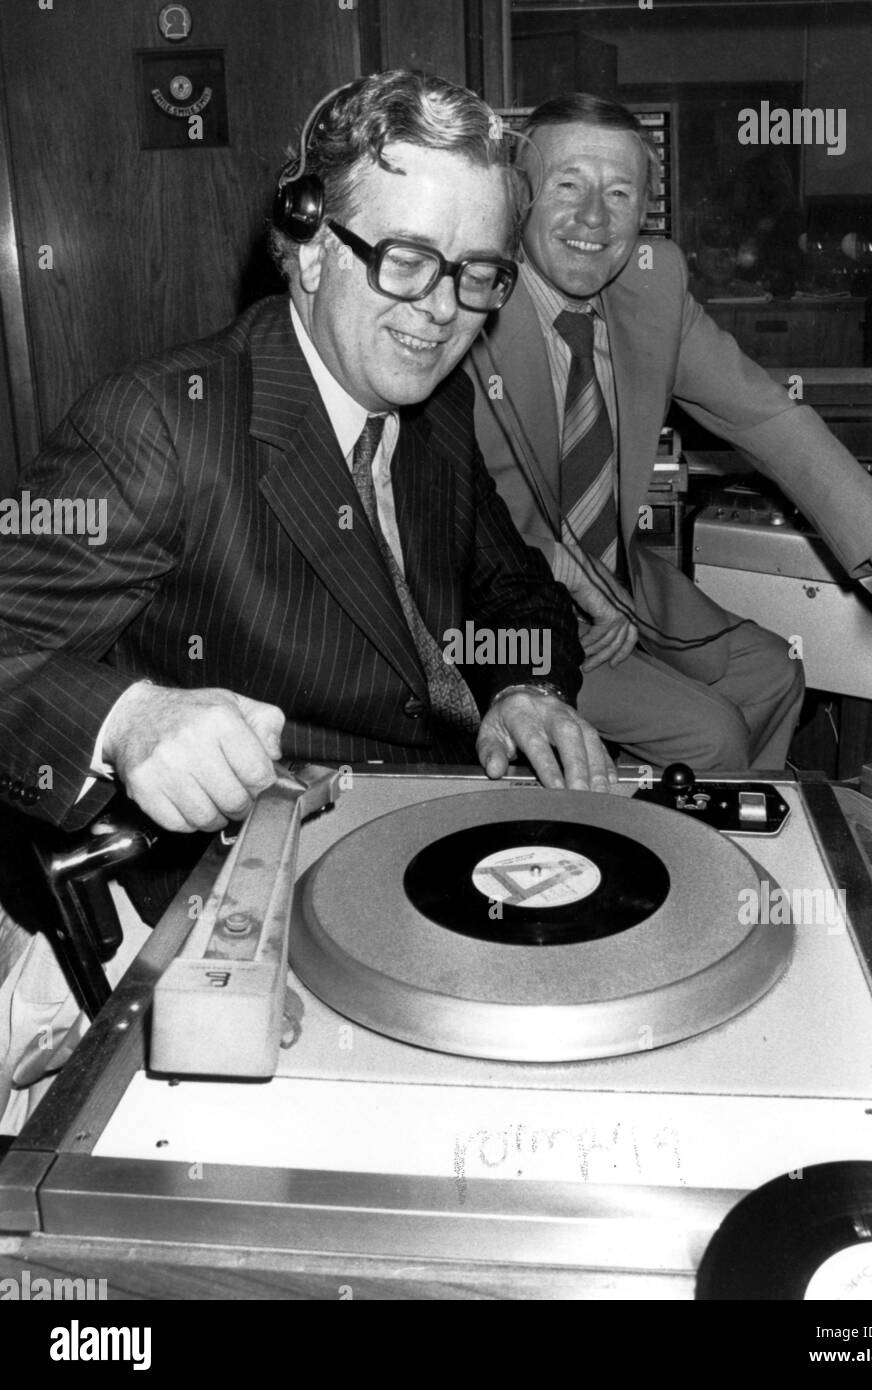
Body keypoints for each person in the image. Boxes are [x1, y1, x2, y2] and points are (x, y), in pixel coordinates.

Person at [0, 70, 617, 1134]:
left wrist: (519, 683)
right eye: (409, 260)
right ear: (312, 241)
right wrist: (129, 716)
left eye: (476, 275)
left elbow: (507, 579)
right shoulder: (160, 425)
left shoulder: (430, 403)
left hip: (435, 839)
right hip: (255, 899)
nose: (441, 311)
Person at [471, 93, 872, 771]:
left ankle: (717, 837)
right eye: (567, 185)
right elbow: (433, 512)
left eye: (620, 193)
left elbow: (765, 416)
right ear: (520, 198)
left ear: (645, 212)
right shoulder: (466, 298)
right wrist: (560, 576)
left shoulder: (652, 290)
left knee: (775, 676)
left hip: (626, 582)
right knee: (711, 734)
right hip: (499, 613)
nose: (593, 218)